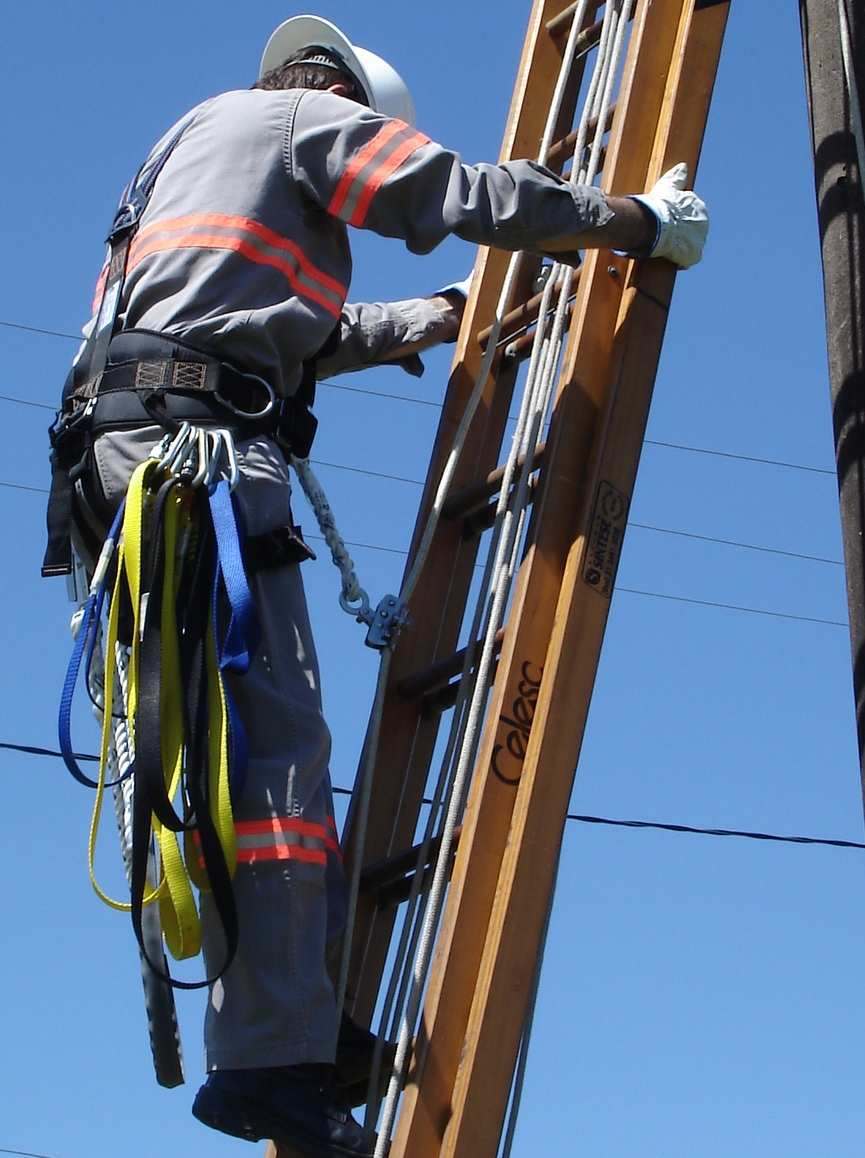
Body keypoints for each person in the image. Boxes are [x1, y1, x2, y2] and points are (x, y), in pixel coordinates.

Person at [50, 14, 709, 1157]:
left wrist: (438, 319)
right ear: (347, 99)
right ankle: (272, 1060)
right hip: (195, 460)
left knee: (211, 757)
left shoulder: (193, 147)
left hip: (122, 458)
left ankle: (294, 1017)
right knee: (279, 760)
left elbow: (273, 326)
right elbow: (456, 193)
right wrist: (630, 222)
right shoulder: (312, 121)